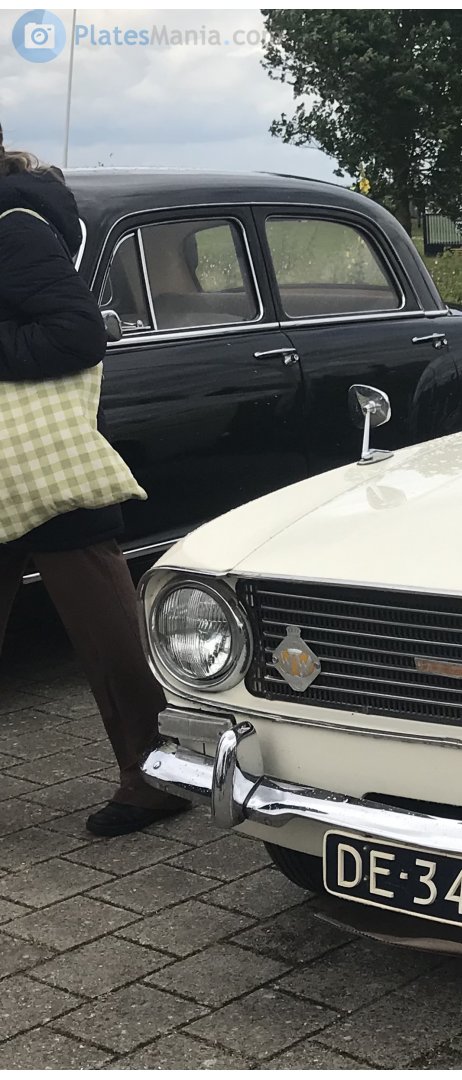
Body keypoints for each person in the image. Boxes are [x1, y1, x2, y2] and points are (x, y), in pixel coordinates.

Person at [0, 137, 189, 836]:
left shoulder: (15, 226)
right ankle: (153, 770)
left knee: (108, 635)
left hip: (35, 455)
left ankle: (154, 774)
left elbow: (75, 336)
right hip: (18, 459)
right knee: (106, 626)